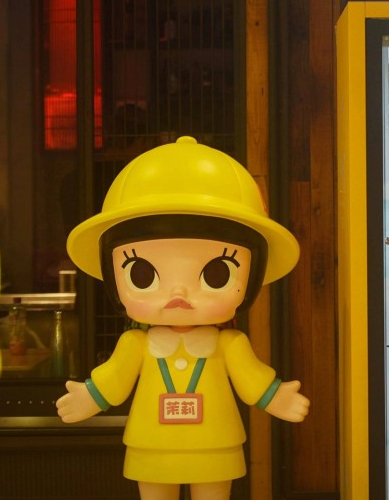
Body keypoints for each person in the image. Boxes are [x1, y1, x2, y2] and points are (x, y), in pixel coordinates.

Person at [56, 136, 309, 500]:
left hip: (215, 444)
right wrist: (90, 396)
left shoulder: (230, 344)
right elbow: (114, 379)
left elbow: (252, 380)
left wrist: (276, 397)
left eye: (217, 275)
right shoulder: (134, 345)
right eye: (141, 274)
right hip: (151, 445)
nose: (179, 295)